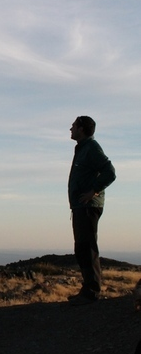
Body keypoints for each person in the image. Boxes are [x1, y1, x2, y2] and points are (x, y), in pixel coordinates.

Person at [68, 116, 116, 305]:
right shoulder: (83, 149)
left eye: (73, 126)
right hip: (81, 206)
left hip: (88, 206)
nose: (70, 129)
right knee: (81, 247)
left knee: (87, 247)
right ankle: (87, 288)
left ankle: (91, 291)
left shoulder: (91, 148)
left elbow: (110, 172)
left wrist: (93, 191)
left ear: (81, 128)